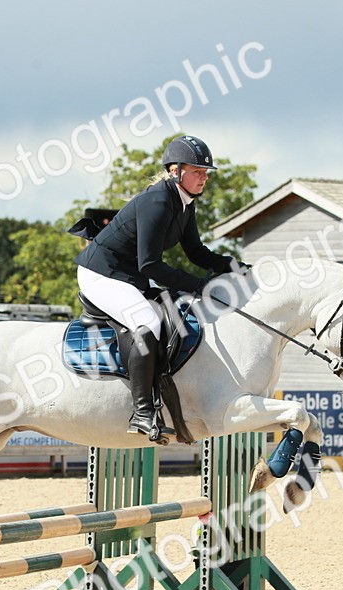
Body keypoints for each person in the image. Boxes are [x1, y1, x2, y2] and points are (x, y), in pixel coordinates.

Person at [74, 134, 244, 440]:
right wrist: (198, 285)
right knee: (148, 321)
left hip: (126, 275)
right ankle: (142, 412)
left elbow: (197, 252)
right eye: (197, 171)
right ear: (176, 171)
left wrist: (232, 267)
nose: (204, 177)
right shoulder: (159, 201)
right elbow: (149, 265)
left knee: (172, 311)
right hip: (100, 273)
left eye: (206, 173)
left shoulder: (184, 204)